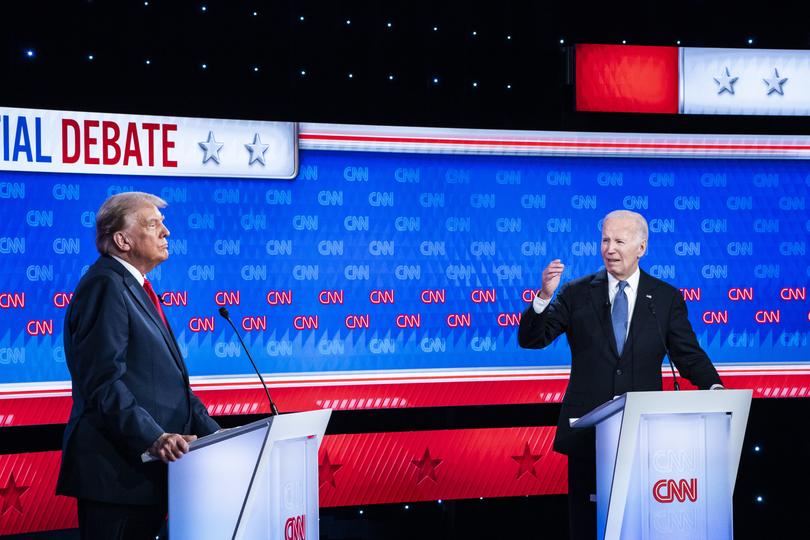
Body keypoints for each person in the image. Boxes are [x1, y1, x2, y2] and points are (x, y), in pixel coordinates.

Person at [518, 210, 722, 540]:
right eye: (605, 240)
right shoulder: (575, 293)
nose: (609, 248)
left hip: (645, 437)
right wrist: (543, 297)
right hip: (588, 436)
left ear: (641, 247)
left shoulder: (665, 298)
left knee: (639, 526)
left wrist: (714, 387)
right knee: (588, 527)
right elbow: (532, 340)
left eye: (619, 241)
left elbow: (688, 354)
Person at [56, 192, 220, 540]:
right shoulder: (105, 285)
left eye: (162, 224)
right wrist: (154, 437)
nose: (166, 232)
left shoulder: (133, 286)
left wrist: (219, 438)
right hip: (115, 475)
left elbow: (171, 384)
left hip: (146, 473)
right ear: (123, 240)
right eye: (153, 224)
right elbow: (103, 382)